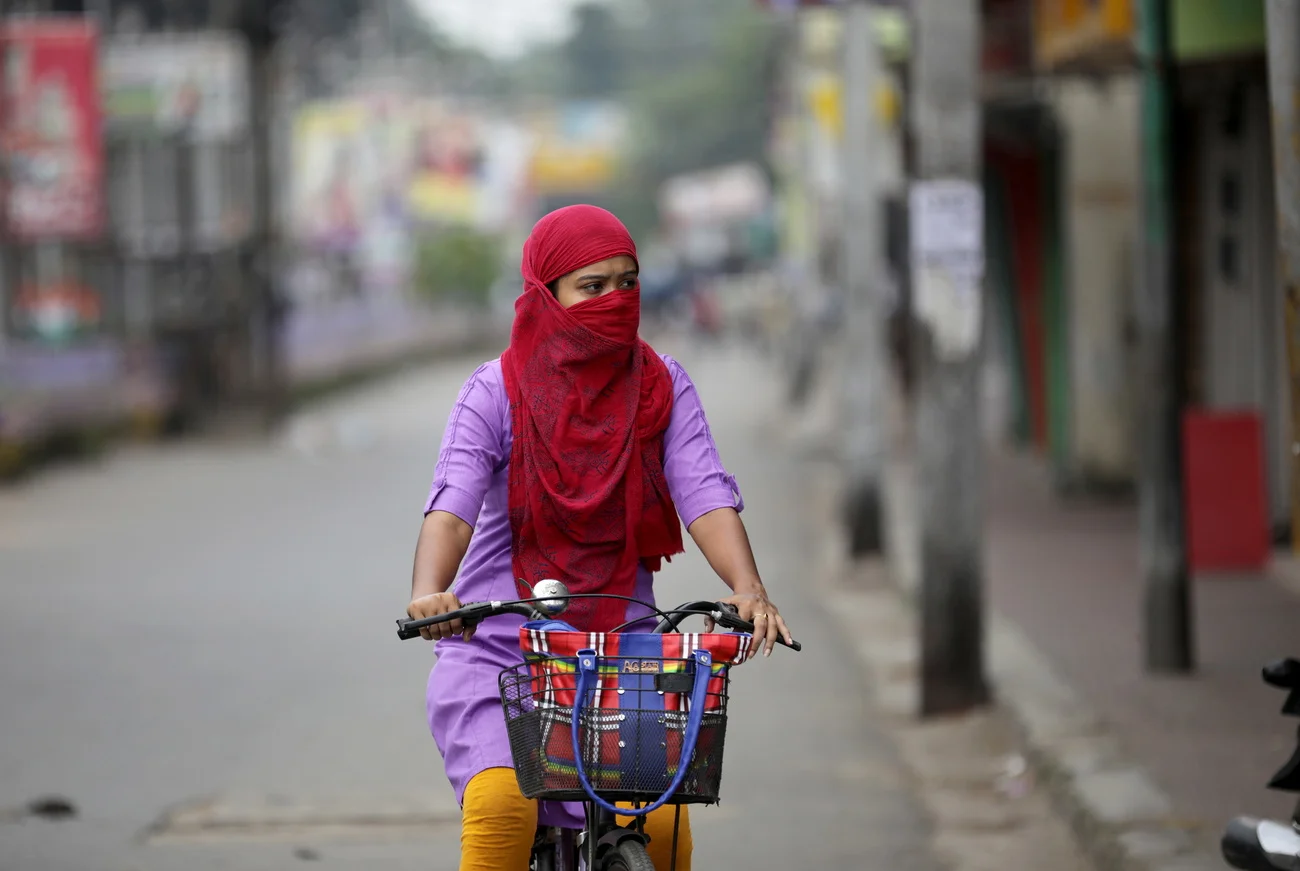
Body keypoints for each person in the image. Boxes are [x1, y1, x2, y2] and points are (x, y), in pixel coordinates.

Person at [407, 205, 793, 871]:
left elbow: (702, 490)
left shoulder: (662, 386)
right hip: (500, 657)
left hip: (621, 656)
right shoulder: (494, 392)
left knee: (665, 834)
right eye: (593, 286)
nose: (616, 301)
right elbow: (453, 505)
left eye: (628, 283)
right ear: (546, 295)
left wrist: (748, 589)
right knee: (501, 806)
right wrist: (430, 592)